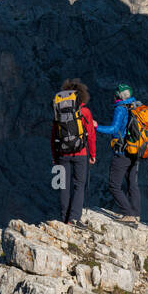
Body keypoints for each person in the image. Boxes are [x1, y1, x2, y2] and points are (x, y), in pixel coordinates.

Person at [53, 79, 97, 226]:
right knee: (79, 185)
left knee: (63, 185)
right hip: (81, 153)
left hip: (62, 154)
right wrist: (93, 154)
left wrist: (55, 157)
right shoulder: (85, 112)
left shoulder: (58, 112)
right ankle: (74, 218)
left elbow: (54, 136)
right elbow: (90, 134)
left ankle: (64, 218)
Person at [96, 84, 142, 223]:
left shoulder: (120, 109)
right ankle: (136, 213)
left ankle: (128, 214)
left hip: (122, 151)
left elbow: (114, 129)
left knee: (114, 185)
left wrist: (96, 126)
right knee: (132, 183)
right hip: (135, 150)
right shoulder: (135, 106)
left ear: (118, 95)